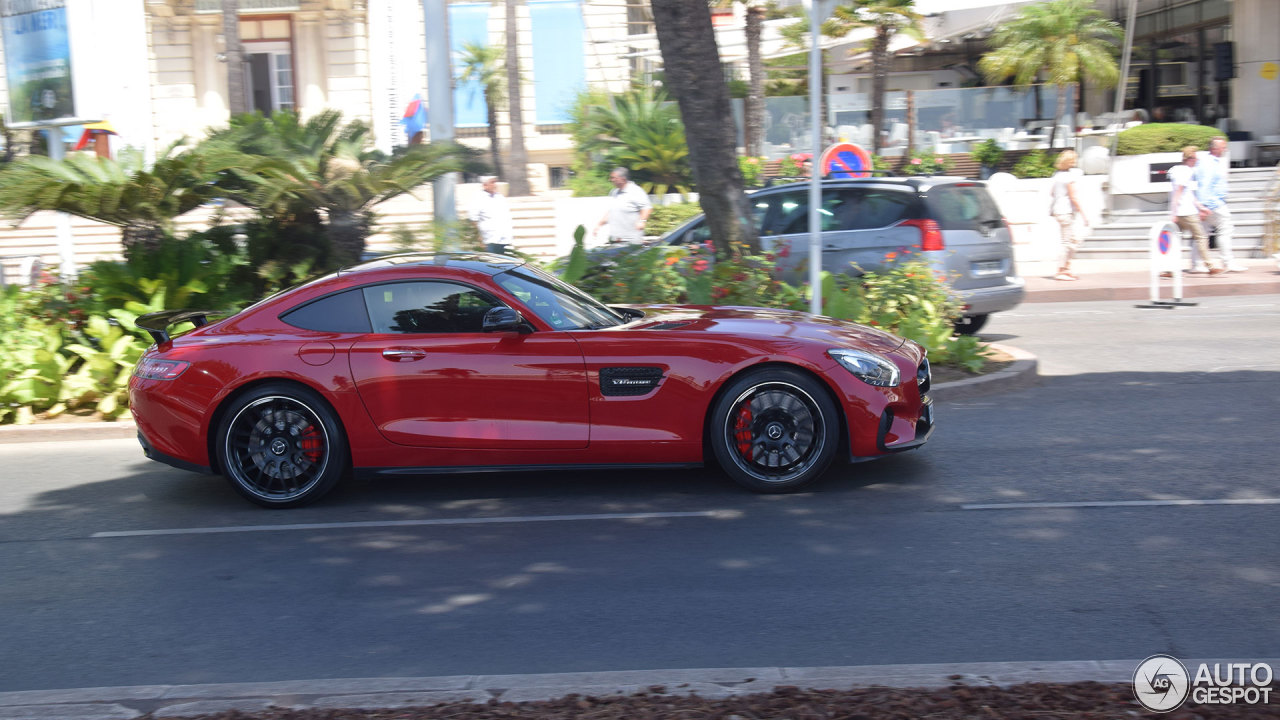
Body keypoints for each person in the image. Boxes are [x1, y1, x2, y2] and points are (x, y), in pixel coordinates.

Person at [1168, 146, 1224, 276]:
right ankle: (1210, 266)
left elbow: (1189, 194)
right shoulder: (1186, 172)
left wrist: (1201, 207)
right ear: (1189, 159)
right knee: (1201, 237)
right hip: (1187, 212)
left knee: (1176, 240)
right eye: (1195, 158)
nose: (1196, 160)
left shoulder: (1179, 170)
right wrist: (1174, 212)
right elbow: (1178, 193)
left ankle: (1171, 268)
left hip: (1183, 212)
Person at [1194, 136, 1245, 272]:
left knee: (1201, 234)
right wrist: (1204, 206)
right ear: (1215, 148)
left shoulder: (1209, 161)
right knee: (1226, 228)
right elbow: (1205, 185)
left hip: (1208, 203)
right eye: (1223, 146)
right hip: (1213, 203)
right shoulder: (1209, 163)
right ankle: (1227, 262)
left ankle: (1197, 264)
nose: (1225, 149)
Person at [1049, 150, 1089, 281]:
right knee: (1067, 242)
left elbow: (1052, 193)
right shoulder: (1069, 177)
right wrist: (1084, 215)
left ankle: (1066, 268)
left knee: (1071, 241)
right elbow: (1073, 197)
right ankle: (1061, 271)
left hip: (1057, 210)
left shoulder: (1057, 175)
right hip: (1066, 211)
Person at [595, 167, 652, 243]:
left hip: (631, 239)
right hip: (616, 239)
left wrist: (642, 221)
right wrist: (599, 225)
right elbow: (612, 211)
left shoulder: (636, 191)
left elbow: (647, 207)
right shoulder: (614, 192)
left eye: (613, 178)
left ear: (623, 179)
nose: (611, 180)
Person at [469, 175, 512, 253]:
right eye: (492, 182)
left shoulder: (499, 197)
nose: (495, 185)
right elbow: (473, 219)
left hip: (503, 237)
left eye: (495, 182)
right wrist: (479, 238)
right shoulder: (478, 198)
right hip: (489, 238)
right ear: (485, 185)